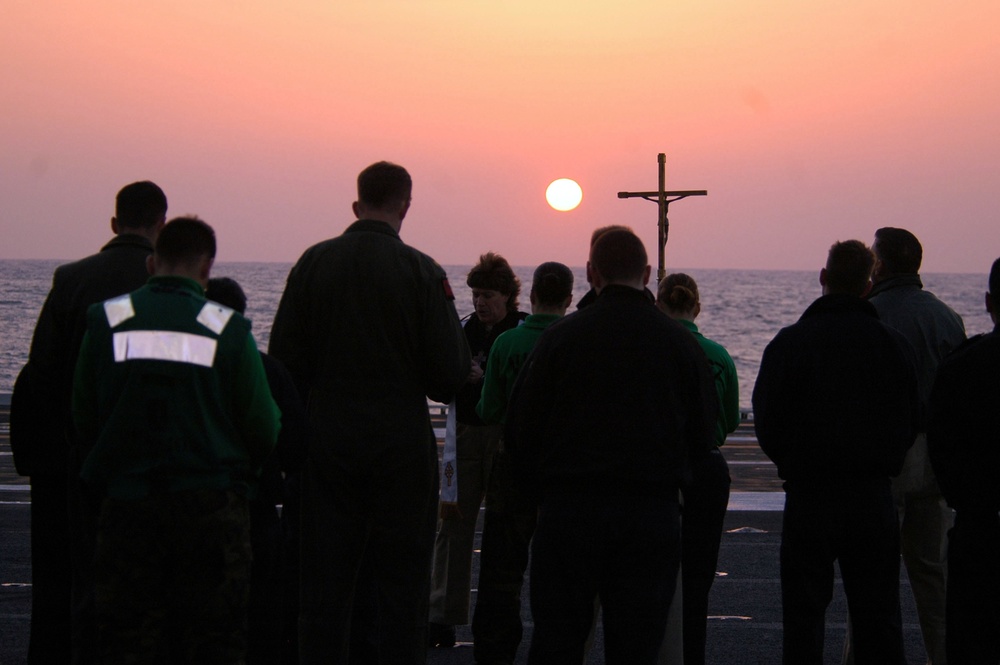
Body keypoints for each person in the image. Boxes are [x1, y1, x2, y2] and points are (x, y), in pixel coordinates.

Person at [268, 160, 470, 665]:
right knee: (403, 592)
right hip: (401, 447)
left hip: (328, 443)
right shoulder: (423, 272)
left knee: (323, 589)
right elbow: (448, 373)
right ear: (405, 206)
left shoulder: (313, 264)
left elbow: (284, 364)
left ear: (356, 205)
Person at [71, 217, 281, 662]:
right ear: (207, 268)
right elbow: (264, 426)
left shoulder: (107, 322)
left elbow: (84, 415)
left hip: (126, 507)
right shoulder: (227, 329)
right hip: (211, 511)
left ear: (151, 263)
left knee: (126, 640)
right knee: (213, 640)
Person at [506, 229, 717, 665]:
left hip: (570, 512)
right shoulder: (681, 345)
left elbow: (521, 431)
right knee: (636, 647)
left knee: (557, 642)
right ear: (646, 273)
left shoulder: (560, 340)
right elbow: (703, 436)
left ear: (591, 273)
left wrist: (538, 498)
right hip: (649, 514)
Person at [9, 180, 167, 664]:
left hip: (70, 459)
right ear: (161, 227)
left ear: (114, 224)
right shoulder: (162, 290)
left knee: (62, 581)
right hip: (145, 463)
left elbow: (42, 372)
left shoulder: (72, 279)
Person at [752, 239, 920, 665]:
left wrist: (792, 463)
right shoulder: (894, 345)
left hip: (810, 495)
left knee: (804, 617)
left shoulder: (790, 343)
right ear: (867, 285)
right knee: (878, 615)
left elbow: (767, 417)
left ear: (823, 278)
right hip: (871, 494)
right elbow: (911, 417)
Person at [842, 227, 966, 665]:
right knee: (934, 578)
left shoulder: (869, 315)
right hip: (932, 462)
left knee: (873, 576)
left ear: (881, 264)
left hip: (882, 461)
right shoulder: (947, 318)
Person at [471, 261, 574, 665]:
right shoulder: (573, 342)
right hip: (561, 473)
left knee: (500, 570)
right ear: (568, 300)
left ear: (530, 297)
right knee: (560, 572)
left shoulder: (507, 345)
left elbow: (488, 408)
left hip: (512, 465)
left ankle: (493, 650)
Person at [205, 277, 309, 665]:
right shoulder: (269, 370)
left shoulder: (186, 365)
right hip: (256, 505)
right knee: (264, 615)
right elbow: (295, 443)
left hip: (195, 502)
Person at [428, 252, 527, 648]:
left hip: (504, 438)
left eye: (487, 295)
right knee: (452, 528)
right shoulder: (463, 331)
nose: (479, 303)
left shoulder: (520, 333)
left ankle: (499, 618)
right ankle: (442, 616)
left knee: (505, 532)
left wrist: (490, 377)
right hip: (466, 435)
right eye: (474, 296)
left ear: (507, 295)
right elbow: (436, 381)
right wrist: (458, 374)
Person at [656, 273, 740, 665]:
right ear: (698, 308)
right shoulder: (719, 355)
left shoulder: (651, 350)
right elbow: (730, 419)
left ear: (659, 306)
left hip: (660, 469)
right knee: (698, 577)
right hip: (707, 469)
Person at [927, 257, 1000, 664]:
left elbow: (942, 442)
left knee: (974, 638)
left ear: (989, 301)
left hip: (981, 522)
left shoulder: (965, 364)